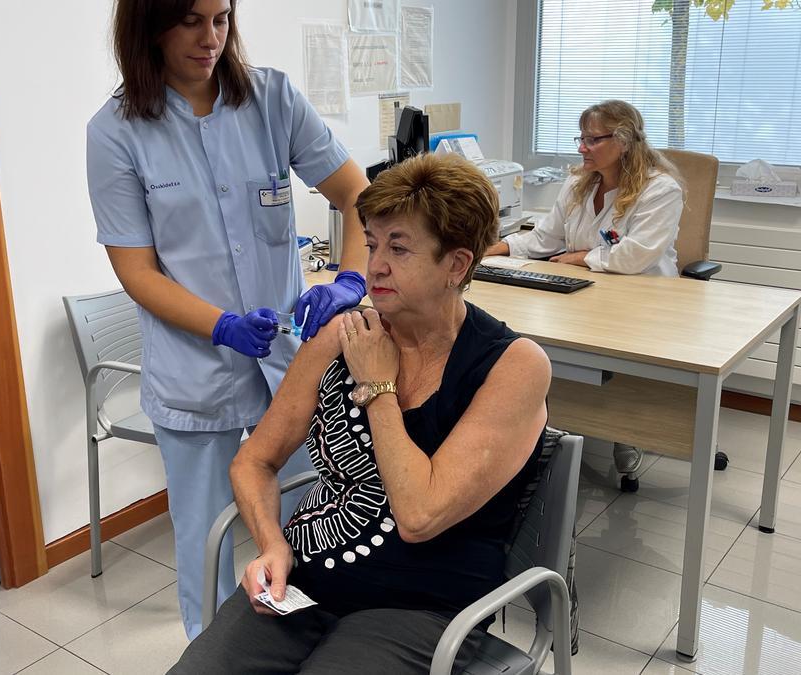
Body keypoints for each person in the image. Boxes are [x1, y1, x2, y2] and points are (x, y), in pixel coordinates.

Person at [167, 153, 553, 674]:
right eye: (372, 244)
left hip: (420, 605)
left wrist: (377, 385)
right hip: (303, 578)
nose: (375, 266)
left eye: (399, 248)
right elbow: (253, 461)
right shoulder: (341, 335)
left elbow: (418, 516)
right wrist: (271, 545)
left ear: (457, 265)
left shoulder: (513, 366)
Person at [85, 0, 369, 639]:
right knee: (204, 539)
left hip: (289, 366)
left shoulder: (272, 99)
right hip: (194, 372)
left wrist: (350, 281)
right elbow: (138, 272)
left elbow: (357, 195)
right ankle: (212, 653)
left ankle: (311, 646)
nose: (210, 37)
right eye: (190, 20)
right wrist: (221, 326)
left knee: (313, 521)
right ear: (149, 25)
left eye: (220, 18)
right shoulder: (116, 131)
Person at [485, 99, 684, 485]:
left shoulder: (660, 189)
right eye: (581, 138)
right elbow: (544, 239)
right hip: (584, 295)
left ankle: (626, 426)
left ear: (623, 141)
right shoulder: (579, 183)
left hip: (642, 300)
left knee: (611, 353)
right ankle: (556, 421)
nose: (582, 148)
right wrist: (499, 248)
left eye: (593, 140)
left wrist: (579, 258)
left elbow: (635, 255)